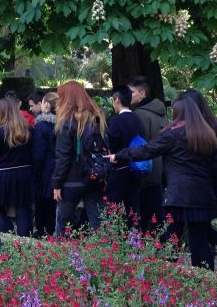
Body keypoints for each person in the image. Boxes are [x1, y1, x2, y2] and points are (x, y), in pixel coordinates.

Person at [109, 94, 217, 270]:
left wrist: (119, 154)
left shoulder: (172, 135)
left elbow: (146, 150)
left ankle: (168, 276)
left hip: (178, 195)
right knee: (199, 241)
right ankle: (206, 279)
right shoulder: (208, 134)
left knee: (170, 239)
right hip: (202, 195)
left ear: (178, 112)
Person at [183, 89, 217, 265]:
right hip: (215, 185)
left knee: (198, 230)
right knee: (202, 229)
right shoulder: (214, 123)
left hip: (204, 186)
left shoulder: (198, 128)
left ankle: (204, 268)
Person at [52, 81, 107, 237]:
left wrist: (56, 184)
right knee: (99, 227)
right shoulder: (98, 118)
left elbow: (63, 156)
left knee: (61, 227)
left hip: (72, 180)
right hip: (94, 176)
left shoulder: (66, 122)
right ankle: (105, 251)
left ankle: (57, 251)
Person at [0, 97, 35, 236]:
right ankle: (25, 240)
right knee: (23, 208)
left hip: (6, 173)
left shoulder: (0, 131)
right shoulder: (28, 128)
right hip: (26, 173)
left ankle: (7, 236)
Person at [128, 76, 166, 233]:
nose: (128, 95)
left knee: (141, 217)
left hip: (144, 170)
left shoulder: (139, 114)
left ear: (142, 93)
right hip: (159, 169)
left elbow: (138, 146)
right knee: (157, 216)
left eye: (132, 92)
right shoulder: (160, 112)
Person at [106, 86, 144, 223]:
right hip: (136, 169)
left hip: (119, 169)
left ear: (117, 100)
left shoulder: (116, 121)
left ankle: (112, 234)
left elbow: (112, 144)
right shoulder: (137, 119)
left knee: (112, 208)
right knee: (133, 208)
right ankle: (134, 235)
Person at [33, 92, 58, 237]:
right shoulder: (61, 124)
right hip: (57, 169)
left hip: (44, 172)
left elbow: (38, 154)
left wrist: (35, 173)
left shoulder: (41, 125)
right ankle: (52, 232)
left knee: (42, 204)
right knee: (52, 206)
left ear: (46, 104)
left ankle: (42, 232)